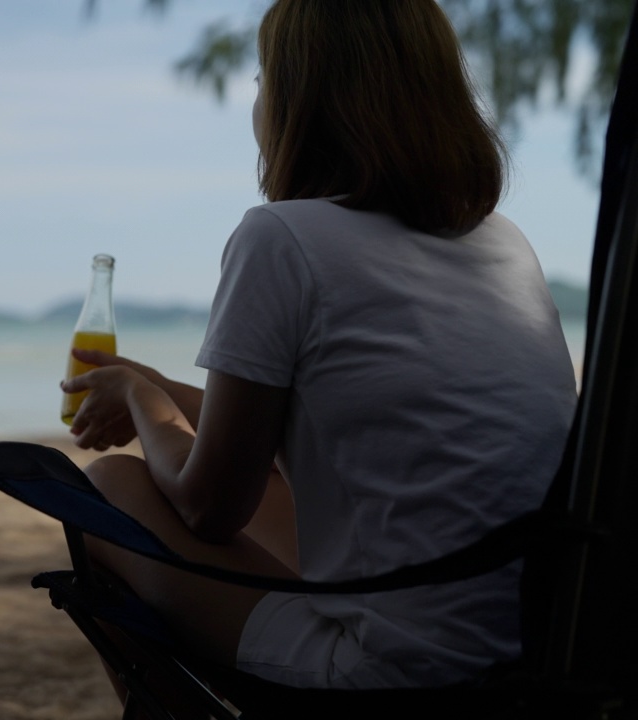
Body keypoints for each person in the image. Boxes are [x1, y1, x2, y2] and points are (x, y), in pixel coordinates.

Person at [61, 0, 579, 697]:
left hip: (400, 669)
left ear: (297, 101)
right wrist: (155, 387)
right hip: (538, 644)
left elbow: (209, 505)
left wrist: (141, 399)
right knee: (265, 484)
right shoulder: (503, 242)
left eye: (261, 82)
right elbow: (333, 428)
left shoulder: (280, 238)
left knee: (108, 492)